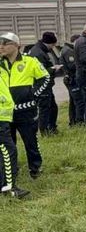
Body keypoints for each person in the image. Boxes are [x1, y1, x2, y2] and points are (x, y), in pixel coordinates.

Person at [0, 32, 49, 179]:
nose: (1, 46)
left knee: (31, 141)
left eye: (5, 43)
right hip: (4, 113)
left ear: (16, 45)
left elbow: (45, 78)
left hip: (26, 111)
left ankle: (35, 168)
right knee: (8, 147)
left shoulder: (30, 61)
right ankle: (10, 174)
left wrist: (34, 95)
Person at [0, 35, 28, 198]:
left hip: (5, 116)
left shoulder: (4, 64)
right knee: (8, 151)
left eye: (4, 44)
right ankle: (10, 188)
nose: (1, 47)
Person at [28, 32, 63, 135]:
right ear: (48, 43)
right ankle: (44, 131)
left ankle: (51, 128)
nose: (53, 47)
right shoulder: (38, 53)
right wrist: (53, 69)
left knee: (52, 107)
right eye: (52, 45)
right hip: (41, 85)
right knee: (45, 109)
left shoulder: (40, 50)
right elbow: (39, 72)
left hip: (46, 85)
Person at [60, 35, 81, 126]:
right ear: (75, 41)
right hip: (72, 79)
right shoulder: (69, 51)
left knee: (73, 101)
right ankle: (78, 121)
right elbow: (72, 66)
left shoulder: (67, 49)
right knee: (78, 101)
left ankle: (73, 122)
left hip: (70, 78)